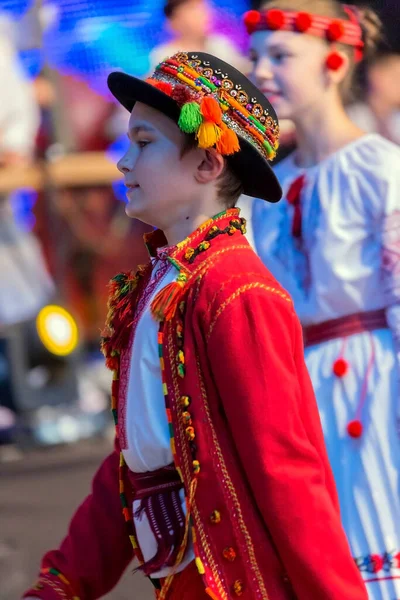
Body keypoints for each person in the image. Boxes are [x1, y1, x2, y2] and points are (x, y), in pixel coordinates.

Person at [23, 51, 367, 600]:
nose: (122, 162)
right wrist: (65, 582)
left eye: (143, 142)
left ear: (208, 165)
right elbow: (134, 461)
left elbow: (287, 475)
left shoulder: (236, 290)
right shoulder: (163, 284)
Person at [240, 2, 400, 598]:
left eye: (281, 56)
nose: (261, 70)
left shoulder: (380, 168)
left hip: (377, 385)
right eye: (257, 56)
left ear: (336, 61)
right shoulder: (267, 194)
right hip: (301, 397)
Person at [150, 0, 249, 73]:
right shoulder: (164, 55)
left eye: (203, 9)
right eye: (193, 9)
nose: (203, 15)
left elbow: (244, 71)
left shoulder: (219, 44)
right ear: (175, 20)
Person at [348, 50, 400, 144]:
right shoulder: (352, 117)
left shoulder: (396, 120)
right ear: (375, 75)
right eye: (395, 77)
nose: (398, 85)